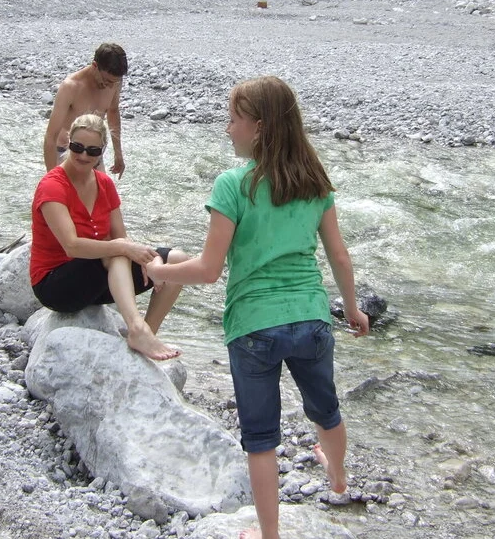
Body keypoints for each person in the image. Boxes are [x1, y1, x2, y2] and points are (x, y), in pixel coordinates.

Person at [146, 76, 371, 539]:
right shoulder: (314, 181)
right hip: (311, 318)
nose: (227, 129)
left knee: (262, 438)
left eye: (234, 120)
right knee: (325, 409)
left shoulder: (232, 185)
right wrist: (352, 309)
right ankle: (338, 479)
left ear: (261, 127)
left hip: (253, 327)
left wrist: (159, 271)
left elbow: (208, 270)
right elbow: (340, 256)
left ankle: (270, 535)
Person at [30, 113, 185, 361]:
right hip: (56, 284)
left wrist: (144, 259)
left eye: (92, 151)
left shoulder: (104, 184)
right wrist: (125, 249)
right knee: (118, 250)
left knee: (177, 261)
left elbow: (120, 237)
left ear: (102, 151)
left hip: (97, 278)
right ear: (68, 142)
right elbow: (71, 246)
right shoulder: (52, 185)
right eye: (77, 147)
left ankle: (146, 335)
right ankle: (136, 328)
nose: (83, 156)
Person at [43, 43, 129, 177]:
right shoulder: (70, 87)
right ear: (95, 66)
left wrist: (118, 154)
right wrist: (51, 177)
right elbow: (50, 136)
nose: (110, 86)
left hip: (94, 153)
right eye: (107, 81)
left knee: (103, 195)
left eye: (115, 82)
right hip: (67, 152)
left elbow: (113, 111)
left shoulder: (114, 82)